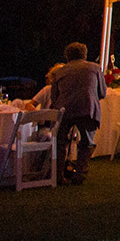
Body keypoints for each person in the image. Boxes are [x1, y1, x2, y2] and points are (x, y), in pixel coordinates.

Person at [45, 42, 105, 184]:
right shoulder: (95, 68)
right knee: (87, 142)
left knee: (60, 142)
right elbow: (102, 92)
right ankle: (79, 174)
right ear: (85, 55)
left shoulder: (60, 72)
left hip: (64, 110)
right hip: (87, 109)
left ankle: (58, 176)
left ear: (67, 57)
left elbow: (54, 97)